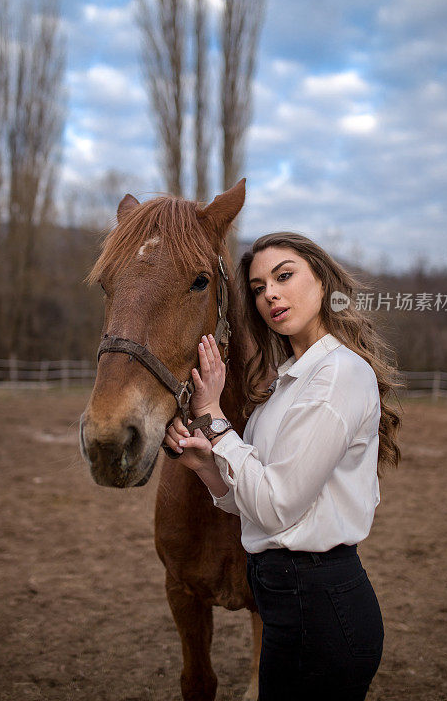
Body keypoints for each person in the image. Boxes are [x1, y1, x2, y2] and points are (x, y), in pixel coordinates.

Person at [164, 231, 402, 700]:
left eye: (284, 275)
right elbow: (255, 498)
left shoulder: (337, 375)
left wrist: (213, 415)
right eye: (256, 288)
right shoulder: (286, 385)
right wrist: (207, 466)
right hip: (286, 607)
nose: (269, 293)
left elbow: (277, 505)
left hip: (320, 605)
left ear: (323, 281)